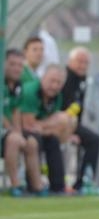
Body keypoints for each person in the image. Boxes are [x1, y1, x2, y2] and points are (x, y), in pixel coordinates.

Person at [20, 64, 71, 193]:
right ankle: (33, 186)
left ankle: (58, 187)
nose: (54, 86)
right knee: (35, 140)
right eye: (51, 81)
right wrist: (48, 125)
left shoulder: (57, 97)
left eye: (58, 83)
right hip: (19, 129)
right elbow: (28, 125)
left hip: (39, 130)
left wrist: (43, 126)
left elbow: (56, 126)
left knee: (53, 140)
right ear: (43, 78)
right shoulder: (30, 91)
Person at [2, 49, 44, 197]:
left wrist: (19, 132)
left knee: (31, 142)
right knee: (14, 140)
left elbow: (16, 112)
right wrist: (14, 133)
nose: (16, 68)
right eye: (12, 64)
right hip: (3, 131)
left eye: (20, 65)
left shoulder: (18, 86)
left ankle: (37, 186)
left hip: (8, 131)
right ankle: (15, 185)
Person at [61, 47, 99, 191]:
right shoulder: (65, 79)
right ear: (70, 61)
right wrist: (68, 133)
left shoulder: (81, 80)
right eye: (79, 62)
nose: (82, 66)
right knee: (93, 139)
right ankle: (79, 180)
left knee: (94, 139)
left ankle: (84, 178)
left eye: (85, 63)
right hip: (60, 125)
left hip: (73, 124)